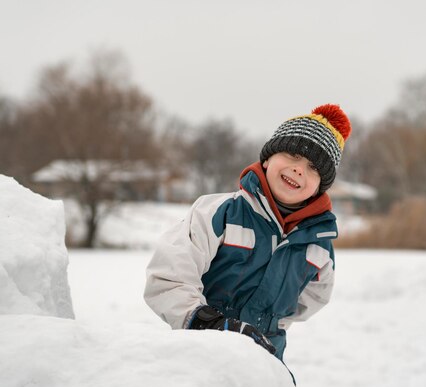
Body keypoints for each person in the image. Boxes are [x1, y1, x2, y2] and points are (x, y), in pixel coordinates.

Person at [144, 104, 351, 361]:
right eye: (293, 156)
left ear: (320, 186)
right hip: (198, 354)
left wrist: (271, 323)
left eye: (313, 167)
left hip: (265, 365)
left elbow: (311, 300)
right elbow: (168, 278)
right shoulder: (220, 213)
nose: (299, 169)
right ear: (267, 158)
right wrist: (206, 321)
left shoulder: (318, 246)